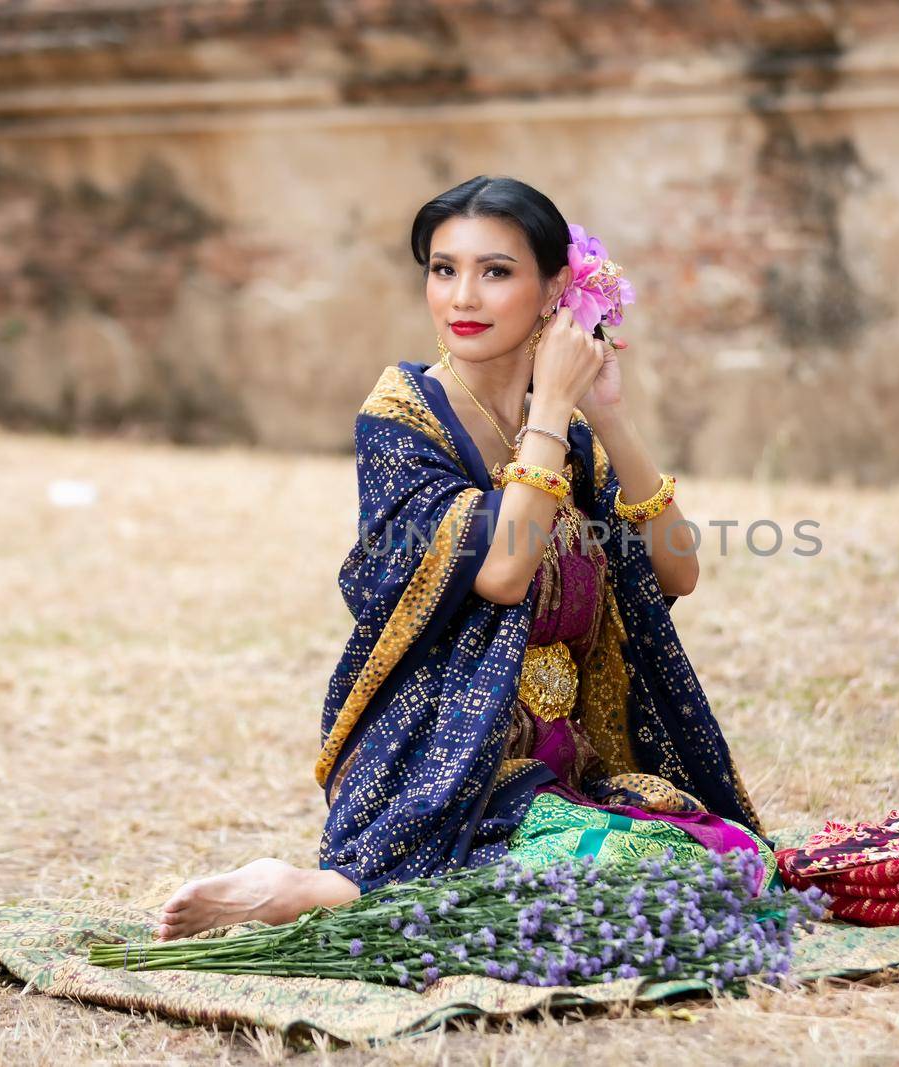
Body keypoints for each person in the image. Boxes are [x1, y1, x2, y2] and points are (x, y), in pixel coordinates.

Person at [156, 176, 773, 942]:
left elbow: (678, 570)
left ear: (556, 289)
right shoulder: (404, 417)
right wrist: (551, 405)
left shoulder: (576, 437)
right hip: (438, 764)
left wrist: (605, 410)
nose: (462, 298)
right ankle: (307, 889)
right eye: (443, 270)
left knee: (727, 864)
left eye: (496, 271)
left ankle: (349, 892)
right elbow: (503, 571)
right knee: (606, 883)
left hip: (567, 762)